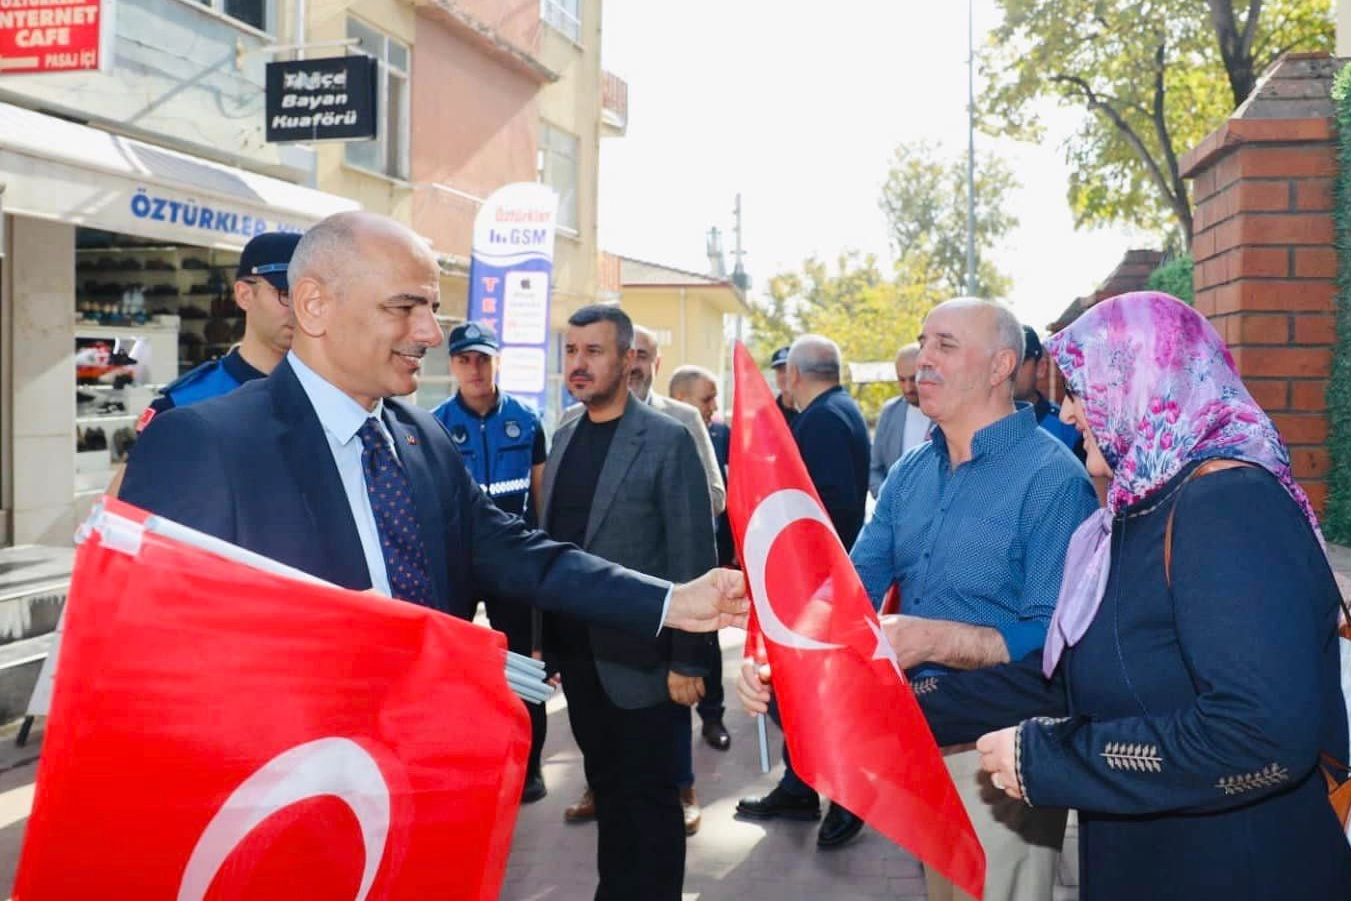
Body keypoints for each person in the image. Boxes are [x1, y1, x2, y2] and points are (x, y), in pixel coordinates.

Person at [120, 211, 748, 661]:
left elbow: (524, 555)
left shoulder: (421, 439)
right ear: (313, 306)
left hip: (421, 767)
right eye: (404, 307)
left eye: (431, 310)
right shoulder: (203, 444)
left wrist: (671, 601)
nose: (429, 334)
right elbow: (159, 658)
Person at [913, 292, 1351, 901]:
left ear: (1145, 383)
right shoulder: (1142, 513)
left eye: (1080, 391)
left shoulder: (1228, 505)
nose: (1070, 414)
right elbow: (1074, 679)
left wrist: (1053, 760)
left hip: (1238, 871)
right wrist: (895, 700)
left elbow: (1263, 734)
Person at [739, 298, 1099, 901]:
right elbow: (850, 591)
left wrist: (935, 639)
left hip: (1000, 752)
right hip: (920, 740)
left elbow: (1058, 640)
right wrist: (779, 652)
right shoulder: (910, 472)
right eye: (923, 342)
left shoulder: (1053, 479)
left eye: (946, 346)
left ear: (1000, 366)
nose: (924, 359)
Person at [541, 305, 716, 900]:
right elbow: (552, 547)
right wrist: (546, 641)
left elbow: (692, 554)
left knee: (652, 802)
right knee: (609, 790)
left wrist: (689, 659)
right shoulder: (564, 436)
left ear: (627, 359)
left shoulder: (667, 440)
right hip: (580, 659)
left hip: (646, 663)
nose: (578, 364)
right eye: (571, 351)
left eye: (593, 351)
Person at [736, 334, 872, 850]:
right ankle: (798, 785)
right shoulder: (836, 411)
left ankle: (846, 796)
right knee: (799, 691)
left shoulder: (822, 420)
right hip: (817, 580)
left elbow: (826, 505)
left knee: (818, 694)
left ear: (793, 375)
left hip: (815, 583)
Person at [431, 320, 550, 804]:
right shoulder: (435, 424)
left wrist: (539, 559)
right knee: (452, 667)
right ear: (452, 366)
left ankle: (530, 767)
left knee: (523, 667)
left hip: (512, 560)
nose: (475, 369)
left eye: (483, 359)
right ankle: (463, 763)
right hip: (459, 563)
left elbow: (541, 500)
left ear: (497, 361)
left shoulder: (527, 420)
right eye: (464, 360)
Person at [111, 232, 303, 496]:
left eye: (310, 298)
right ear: (244, 295)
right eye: (285, 294)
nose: (298, 310)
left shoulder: (335, 396)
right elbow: (120, 505)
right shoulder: (185, 402)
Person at [669, 365, 733, 753]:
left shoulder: (722, 434)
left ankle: (713, 715)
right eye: (707, 399)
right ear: (681, 400)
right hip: (666, 566)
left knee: (708, 640)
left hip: (710, 560)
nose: (713, 407)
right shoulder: (654, 432)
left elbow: (724, 495)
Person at [869, 342, 932, 498]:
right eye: (901, 380)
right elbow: (874, 468)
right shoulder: (890, 412)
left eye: (913, 379)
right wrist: (888, 500)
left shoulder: (949, 413)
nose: (908, 388)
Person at [1014, 324, 1081, 454]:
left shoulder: (1069, 426)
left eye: (1020, 360)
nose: (1009, 368)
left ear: (1041, 367)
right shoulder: (978, 422)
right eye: (1000, 361)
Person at [769, 345, 798, 426]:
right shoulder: (767, 414)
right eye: (780, 370)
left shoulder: (813, 410)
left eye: (789, 369)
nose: (785, 375)